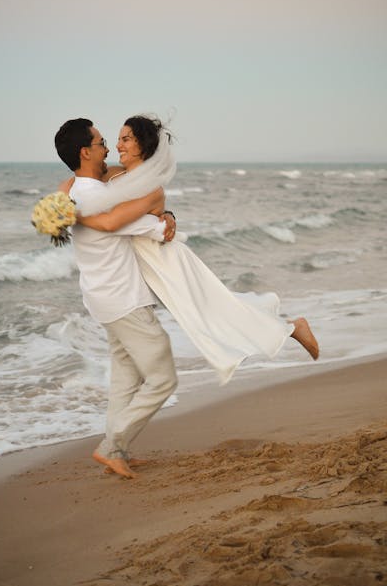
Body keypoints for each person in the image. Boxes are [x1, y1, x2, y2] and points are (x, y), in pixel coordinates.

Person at [76, 115, 319, 385]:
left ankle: (293, 328)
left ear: (142, 145)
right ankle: (288, 328)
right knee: (213, 310)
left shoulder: (151, 187)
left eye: (126, 139)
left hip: (166, 261)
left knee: (211, 313)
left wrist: (72, 216)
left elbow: (117, 221)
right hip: (148, 265)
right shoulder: (117, 175)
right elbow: (81, 181)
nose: (118, 145)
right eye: (118, 139)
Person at [55, 118, 178, 479]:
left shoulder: (77, 189)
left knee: (125, 377)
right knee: (163, 379)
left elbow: (113, 209)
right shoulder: (95, 197)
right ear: (86, 151)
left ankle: (118, 451)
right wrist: (162, 212)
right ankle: (111, 445)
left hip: (102, 298)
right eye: (102, 141)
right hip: (124, 299)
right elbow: (154, 231)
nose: (108, 147)